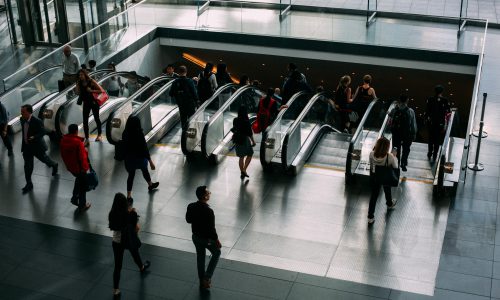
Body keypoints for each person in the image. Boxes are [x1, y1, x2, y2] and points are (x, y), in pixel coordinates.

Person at [108, 193, 151, 297]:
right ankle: (141, 267)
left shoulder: (112, 213)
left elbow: (112, 227)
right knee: (135, 252)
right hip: (128, 239)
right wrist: (133, 213)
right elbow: (136, 227)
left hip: (117, 241)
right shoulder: (130, 214)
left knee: (118, 266)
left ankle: (116, 289)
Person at [186, 186, 221, 290]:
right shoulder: (209, 211)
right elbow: (212, 230)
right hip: (207, 240)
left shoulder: (191, 206)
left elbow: (188, 220)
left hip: (196, 237)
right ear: (205, 196)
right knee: (217, 252)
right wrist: (217, 241)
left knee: (200, 258)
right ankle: (207, 277)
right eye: (208, 192)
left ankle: (202, 281)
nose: (210, 193)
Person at [20, 104, 58, 193]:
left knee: (45, 160)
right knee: (27, 166)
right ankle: (29, 183)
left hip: (37, 147)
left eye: (23, 112)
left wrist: (34, 137)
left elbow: (43, 131)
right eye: (21, 112)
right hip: (27, 147)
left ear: (29, 112)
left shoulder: (37, 121)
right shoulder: (22, 119)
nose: (21, 113)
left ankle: (54, 165)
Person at [122, 116, 159, 202]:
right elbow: (144, 148)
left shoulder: (125, 133)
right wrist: (150, 161)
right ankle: (150, 185)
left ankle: (129, 196)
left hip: (129, 159)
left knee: (131, 175)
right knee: (145, 170)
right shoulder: (139, 133)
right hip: (140, 158)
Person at [60, 124, 92, 211]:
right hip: (80, 168)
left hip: (71, 167)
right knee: (83, 186)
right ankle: (82, 204)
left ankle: (75, 197)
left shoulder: (63, 140)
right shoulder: (78, 143)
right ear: (76, 131)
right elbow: (82, 157)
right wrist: (85, 168)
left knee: (78, 179)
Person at [368, 137, 398, 224]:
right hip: (385, 177)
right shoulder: (390, 157)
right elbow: (395, 167)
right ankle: (389, 203)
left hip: (375, 177)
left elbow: (371, 165)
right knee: (386, 186)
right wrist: (394, 156)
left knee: (373, 196)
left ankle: (370, 217)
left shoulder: (371, 154)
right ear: (387, 147)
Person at [75, 69, 105, 145]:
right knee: (85, 121)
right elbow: (78, 93)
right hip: (86, 103)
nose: (80, 76)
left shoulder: (91, 81)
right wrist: (77, 85)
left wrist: (91, 90)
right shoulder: (80, 83)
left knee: (96, 118)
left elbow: (101, 90)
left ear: (85, 75)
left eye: (81, 75)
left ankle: (99, 134)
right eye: (79, 75)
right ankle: (87, 138)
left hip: (94, 102)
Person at [389, 94, 417, 172]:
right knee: (406, 149)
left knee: (395, 147)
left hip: (396, 132)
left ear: (399, 100)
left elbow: (390, 117)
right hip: (406, 133)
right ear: (407, 100)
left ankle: (395, 163)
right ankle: (403, 163)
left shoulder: (395, 109)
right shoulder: (410, 111)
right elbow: (413, 123)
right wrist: (414, 133)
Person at [426, 84, 451, 161]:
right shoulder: (445, 100)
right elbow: (448, 111)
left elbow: (427, 111)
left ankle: (430, 152)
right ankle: (435, 154)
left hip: (431, 122)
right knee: (437, 139)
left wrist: (427, 120)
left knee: (431, 138)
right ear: (442, 92)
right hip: (440, 123)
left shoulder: (430, 99)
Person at [232, 106, 256, 179]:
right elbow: (250, 133)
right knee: (250, 154)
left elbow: (234, 128)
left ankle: (242, 171)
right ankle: (244, 169)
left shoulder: (235, 120)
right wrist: (253, 141)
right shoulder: (246, 121)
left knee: (241, 157)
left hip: (237, 139)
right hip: (244, 140)